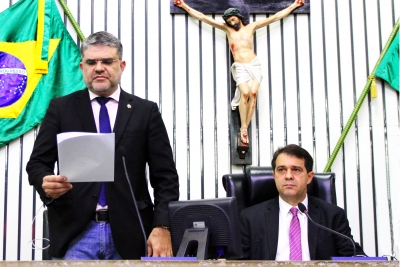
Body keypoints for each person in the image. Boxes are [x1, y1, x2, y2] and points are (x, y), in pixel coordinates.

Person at [26, 31, 180, 260]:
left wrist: (163, 227)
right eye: (91, 62)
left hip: (132, 232)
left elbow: (165, 177)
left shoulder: (145, 112)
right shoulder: (61, 108)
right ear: (81, 67)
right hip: (76, 232)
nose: (99, 68)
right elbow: (37, 164)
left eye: (107, 61)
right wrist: (44, 182)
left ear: (122, 65)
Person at [174, 0, 305, 144]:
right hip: (240, 67)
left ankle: (245, 127)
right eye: (229, 21)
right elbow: (203, 17)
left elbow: (275, 17)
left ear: (238, 17)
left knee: (253, 93)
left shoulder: (251, 27)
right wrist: (184, 6)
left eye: (232, 19)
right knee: (245, 93)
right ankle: (243, 126)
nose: (231, 22)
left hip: (254, 64)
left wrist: (294, 5)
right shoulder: (227, 30)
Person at [239, 144, 365, 260]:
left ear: (309, 177)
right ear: (274, 176)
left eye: (296, 170)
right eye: (282, 170)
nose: (288, 176)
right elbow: (238, 262)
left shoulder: (333, 216)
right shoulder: (250, 218)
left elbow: (354, 256)